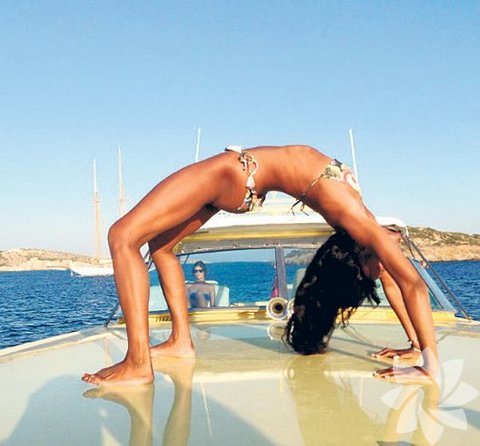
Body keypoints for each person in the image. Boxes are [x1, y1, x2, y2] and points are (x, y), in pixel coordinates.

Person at [82, 145, 437, 386]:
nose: (386, 264)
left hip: (233, 174)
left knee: (122, 235)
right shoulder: (362, 225)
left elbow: (412, 284)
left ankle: (138, 363)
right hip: (243, 184)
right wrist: (415, 345)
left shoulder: (356, 221)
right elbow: (395, 280)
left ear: (361, 258)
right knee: (161, 247)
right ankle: (180, 342)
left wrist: (429, 365)